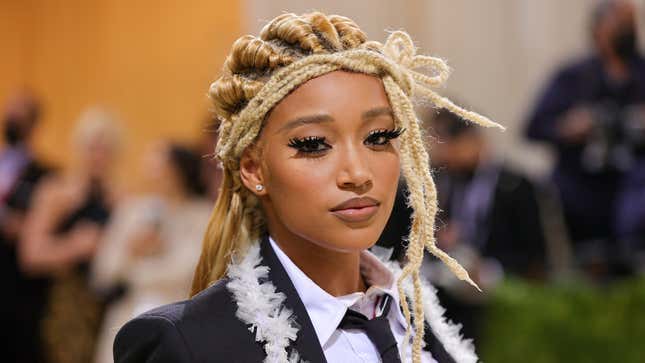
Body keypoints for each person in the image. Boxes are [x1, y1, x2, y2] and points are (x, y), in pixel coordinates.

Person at [114, 12, 503, 363]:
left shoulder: (427, 315)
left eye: (379, 137)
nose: (358, 173)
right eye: (314, 144)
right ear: (253, 169)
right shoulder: (187, 344)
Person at [524, 0, 645, 274]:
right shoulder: (572, 77)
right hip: (581, 193)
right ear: (599, 29)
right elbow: (533, 127)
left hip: (635, 191)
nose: (629, 29)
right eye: (621, 22)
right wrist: (568, 127)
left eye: (632, 21)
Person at [91, 141, 211, 363]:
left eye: (160, 163)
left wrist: (139, 270)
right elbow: (104, 270)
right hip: (126, 316)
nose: (152, 169)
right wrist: (132, 251)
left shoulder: (201, 215)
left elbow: (190, 270)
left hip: (175, 317)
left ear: (178, 171)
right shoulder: (131, 210)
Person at [20, 107, 123, 363]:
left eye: (106, 149)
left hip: (105, 306)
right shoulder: (57, 192)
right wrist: (74, 246)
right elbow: (30, 255)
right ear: (79, 148)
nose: (99, 156)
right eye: (93, 147)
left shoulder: (120, 199)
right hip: (61, 305)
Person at [0, 90, 52, 363]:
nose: (11, 120)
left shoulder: (45, 174)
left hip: (18, 287)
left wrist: (25, 227)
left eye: (19, 115)